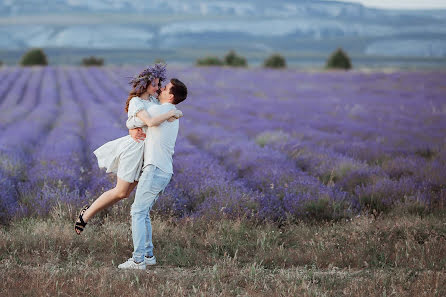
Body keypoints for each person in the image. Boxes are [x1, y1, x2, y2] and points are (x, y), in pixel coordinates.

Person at [74, 64, 183, 235]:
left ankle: (144, 247)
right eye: (154, 84)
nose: (157, 88)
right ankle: (86, 215)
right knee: (120, 191)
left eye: (159, 84)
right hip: (134, 149)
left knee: (125, 194)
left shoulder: (155, 100)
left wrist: (173, 111)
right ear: (144, 85)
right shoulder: (136, 102)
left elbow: (161, 111)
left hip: (149, 152)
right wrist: (171, 113)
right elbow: (149, 121)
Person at [117, 78, 187, 270]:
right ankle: (148, 255)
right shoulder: (167, 111)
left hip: (155, 168)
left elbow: (137, 119)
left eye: (164, 88)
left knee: (137, 212)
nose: (160, 89)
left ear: (170, 96)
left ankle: (138, 260)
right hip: (162, 169)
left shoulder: (162, 110)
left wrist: (131, 119)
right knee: (143, 211)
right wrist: (176, 111)